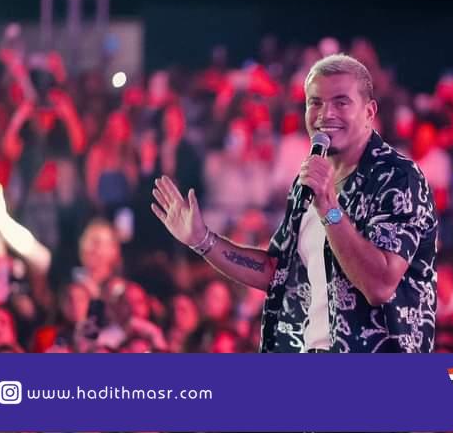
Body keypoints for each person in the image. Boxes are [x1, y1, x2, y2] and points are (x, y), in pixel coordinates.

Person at [152, 54, 438, 353]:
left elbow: (379, 285)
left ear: (369, 112)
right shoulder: (309, 180)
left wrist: (328, 207)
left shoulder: (397, 178)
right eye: (315, 103)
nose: (325, 114)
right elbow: (276, 272)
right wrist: (202, 240)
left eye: (341, 102)